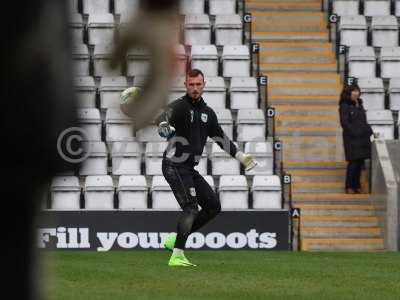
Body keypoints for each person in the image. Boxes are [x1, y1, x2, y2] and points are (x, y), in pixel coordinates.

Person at [156, 69, 257, 267]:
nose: (195, 88)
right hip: (173, 165)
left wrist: (241, 157)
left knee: (213, 206)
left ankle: (173, 241)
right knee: (191, 208)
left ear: (204, 85)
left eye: (198, 84)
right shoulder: (179, 106)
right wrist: (163, 126)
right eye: (191, 84)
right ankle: (177, 255)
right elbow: (162, 117)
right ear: (186, 85)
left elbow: (220, 138)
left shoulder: (208, 114)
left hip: (188, 168)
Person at [339, 84, 377, 194]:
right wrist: (355, 132)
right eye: (353, 91)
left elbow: (364, 121)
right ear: (349, 93)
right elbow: (344, 123)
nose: (356, 93)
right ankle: (349, 186)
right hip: (352, 138)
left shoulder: (359, 104)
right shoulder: (344, 105)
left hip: (363, 138)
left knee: (360, 162)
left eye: (357, 91)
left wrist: (371, 132)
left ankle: (356, 185)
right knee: (353, 162)